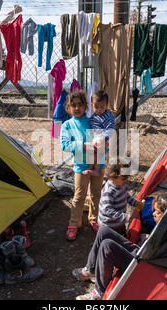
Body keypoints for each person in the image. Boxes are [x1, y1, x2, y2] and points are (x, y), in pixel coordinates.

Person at [72, 191, 167, 300]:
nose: (153, 214)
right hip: (142, 253)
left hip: (142, 266)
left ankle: (100, 292)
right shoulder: (165, 225)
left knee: (107, 247)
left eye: (158, 212)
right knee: (104, 231)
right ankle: (91, 270)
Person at [61, 90, 105, 240]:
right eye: (73, 105)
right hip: (81, 167)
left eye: (80, 104)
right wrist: (82, 145)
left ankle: (93, 219)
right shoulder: (67, 125)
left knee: (96, 193)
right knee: (79, 196)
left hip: (99, 164)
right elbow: (65, 145)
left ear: (86, 106)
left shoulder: (93, 121)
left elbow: (102, 139)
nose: (77, 108)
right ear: (68, 107)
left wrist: (103, 143)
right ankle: (74, 223)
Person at [97, 163, 144, 234]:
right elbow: (108, 210)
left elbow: (125, 195)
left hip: (119, 221)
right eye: (123, 179)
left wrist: (136, 203)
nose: (126, 181)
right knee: (112, 241)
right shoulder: (108, 192)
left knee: (122, 235)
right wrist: (126, 217)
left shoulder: (121, 185)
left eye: (127, 178)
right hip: (109, 225)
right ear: (112, 178)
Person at [83, 90, 115, 176]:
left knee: (98, 152)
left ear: (106, 105)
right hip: (95, 136)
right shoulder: (93, 114)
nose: (99, 109)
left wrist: (102, 139)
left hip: (102, 137)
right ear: (92, 105)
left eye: (102, 107)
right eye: (96, 107)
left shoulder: (108, 116)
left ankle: (96, 169)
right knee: (92, 151)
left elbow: (110, 129)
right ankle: (90, 166)